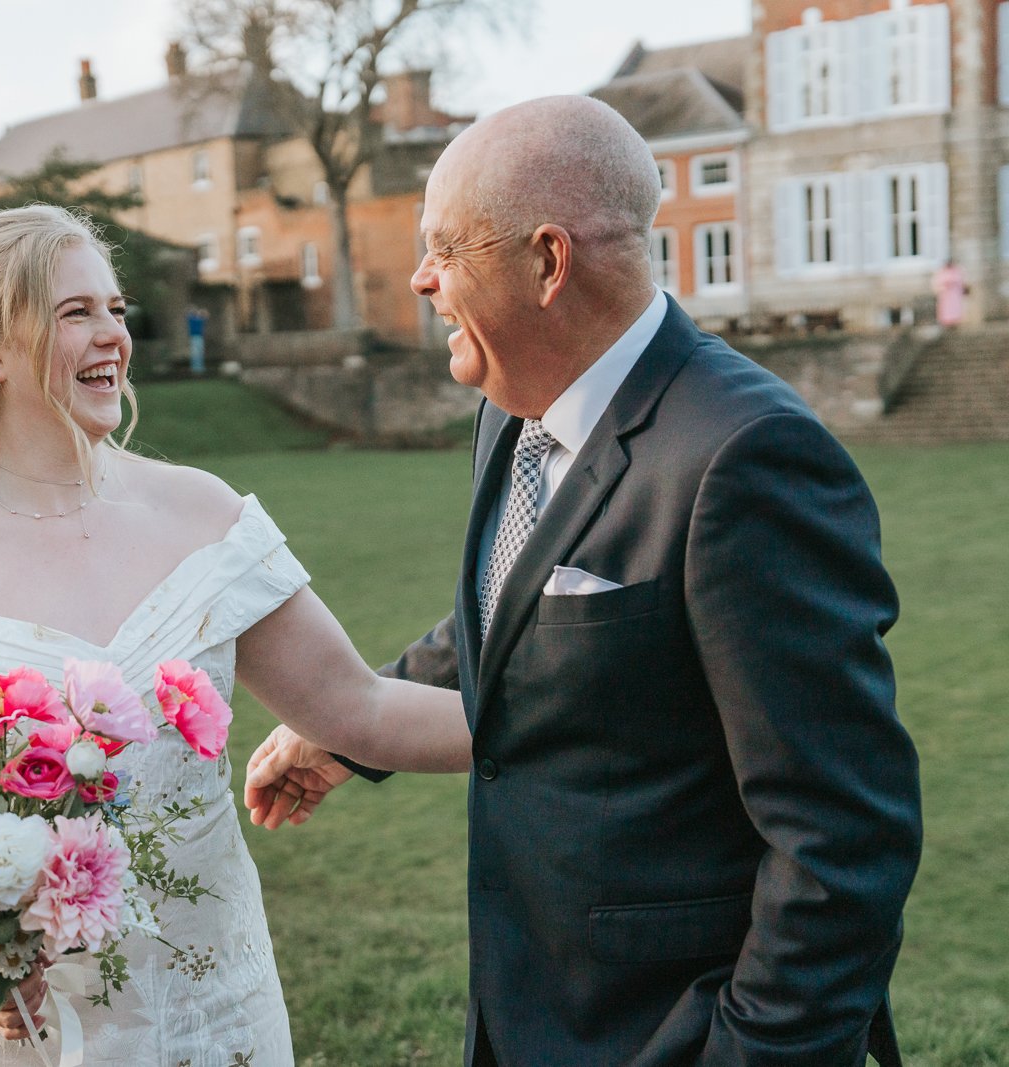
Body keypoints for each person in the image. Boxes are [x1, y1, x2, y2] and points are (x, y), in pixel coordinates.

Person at [245, 96, 923, 1067]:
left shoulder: (745, 456)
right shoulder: (509, 410)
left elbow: (843, 838)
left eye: (445, 248)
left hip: (674, 1024)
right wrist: (355, 729)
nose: (420, 277)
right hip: (528, 1006)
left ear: (547, 262)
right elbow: (520, 612)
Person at [0, 204, 469, 1065]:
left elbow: (361, 706)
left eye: (116, 310)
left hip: (204, 1015)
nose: (111, 337)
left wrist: (572, 722)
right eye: (74, 312)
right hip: (2, 1035)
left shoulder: (202, 513)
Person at [931, 258, 966, 327]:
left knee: (954, 308)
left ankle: (955, 322)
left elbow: (959, 281)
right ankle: (947, 322)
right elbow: (939, 282)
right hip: (946, 295)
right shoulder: (942, 272)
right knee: (946, 309)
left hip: (954, 294)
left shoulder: (956, 271)